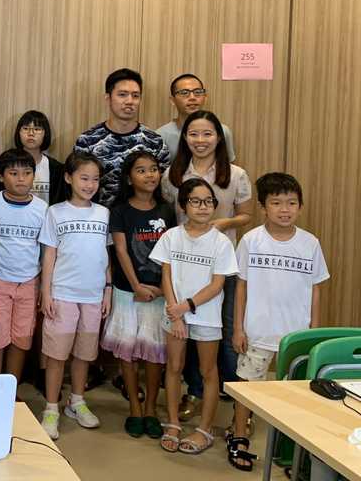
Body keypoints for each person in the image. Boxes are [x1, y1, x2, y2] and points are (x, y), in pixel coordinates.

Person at [228, 173, 329, 471]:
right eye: (276, 203)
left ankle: (291, 447)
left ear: (300, 206)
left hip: (295, 335)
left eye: (291, 203)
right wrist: (238, 327)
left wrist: (315, 333)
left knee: (295, 390)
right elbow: (242, 287)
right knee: (247, 386)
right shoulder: (251, 240)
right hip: (257, 331)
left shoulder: (310, 243)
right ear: (263, 207)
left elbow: (316, 288)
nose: (285, 209)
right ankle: (239, 434)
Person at [161, 110, 253, 404]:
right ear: (185, 138)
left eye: (207, 134)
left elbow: (247, 216)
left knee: (224, 331)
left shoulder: (236, 174)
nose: (200, 140)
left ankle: (229, 394)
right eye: (193, 134)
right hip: (182, 265)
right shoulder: (172, 175)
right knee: (182, 331)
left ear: (219, 138)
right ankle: (194, 392)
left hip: (221, 265)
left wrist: (223, 223)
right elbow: (167, 215)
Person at [149, 179, 238, 455]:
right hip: (174, 314)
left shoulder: (221, 242)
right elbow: (166, 275)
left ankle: (204, 429)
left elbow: (217, 285)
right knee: (174, 368)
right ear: (183, 205)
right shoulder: (171, 236)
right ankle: (174, 423)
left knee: (208, 371)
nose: (203, 207)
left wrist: (185, 306)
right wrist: (176, 314)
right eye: (196, 201)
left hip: (205, 315)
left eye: (208, 201)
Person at [100, 151, 176, 440]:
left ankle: (151, 410)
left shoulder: (167, 211)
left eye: (154, 169)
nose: (150, 175)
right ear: (130, 178)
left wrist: (162, 289)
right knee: (129, 353)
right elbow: (120, 251)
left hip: (160, 293)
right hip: (127, 292)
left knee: (155, 355)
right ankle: (134, 406)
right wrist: (137, 286)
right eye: (142, 171)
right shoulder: (119, 210)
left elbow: (172, 253)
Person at [38, 151, 111, 438]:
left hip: (93, 296)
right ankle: (51, 407)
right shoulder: (55, 212)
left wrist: (107, 290)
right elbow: (49, 256)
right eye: (84, 178)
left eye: (95, 179)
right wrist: (46, 292)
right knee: (57, 354)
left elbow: (107, 256)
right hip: (62, 294)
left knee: (84, 353)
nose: (90, 184)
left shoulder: (103, 213)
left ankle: (77, 401)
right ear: (69, 178)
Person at [0, 149, 47, 381]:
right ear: (1, 176)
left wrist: (44, 287)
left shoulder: (42, 209)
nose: (21, 178)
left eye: (27, 173)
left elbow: (46, 251)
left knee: (22, 338)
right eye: (13, 173)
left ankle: (11, 390)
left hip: (29, 282)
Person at [73, 68, 169, 209]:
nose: (130, 101)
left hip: (141, 223)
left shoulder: (155, 141)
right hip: (97, 221)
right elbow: (77, 187)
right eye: (122, 95)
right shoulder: (87, 141)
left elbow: (163, 188)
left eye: (135, 96)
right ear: (108, 98)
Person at [157, 74, 236, 164]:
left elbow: (229, 168)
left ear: (205, 97)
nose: (192, 97)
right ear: (172, 100)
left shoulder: (222, 131)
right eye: (184, 93)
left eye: (198, 92)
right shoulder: (161, 136)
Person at [12, 110, 64, 205]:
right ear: (18, 132)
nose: (31, 133)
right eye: (26, 128)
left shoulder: (57, 169)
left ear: (45, 134)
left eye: (37, 129)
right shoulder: (9, 165)